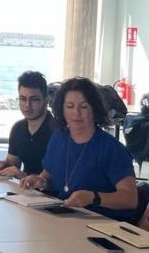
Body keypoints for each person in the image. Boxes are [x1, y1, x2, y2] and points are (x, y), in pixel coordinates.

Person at [21, 77, 138, 222]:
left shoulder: (111, 148)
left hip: (104, 224)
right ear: (61, 110)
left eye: (84, 107)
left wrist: (94, 197)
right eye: (70, 106)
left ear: (94, 109)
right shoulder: (58, 139)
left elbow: (130, 198)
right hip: (65, 218)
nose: (76, 113)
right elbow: (49, 173)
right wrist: (40, 180)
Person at [0, 71, 57, 178]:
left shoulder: (57, 131)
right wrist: (2, 165)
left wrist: (22, 176)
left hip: (46, 188)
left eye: (34, 99)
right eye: (23, 99)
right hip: (23, 186)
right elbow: (13, 162)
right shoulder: (18, 128)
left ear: (46, 101)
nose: (27, 105)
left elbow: (58, 178)